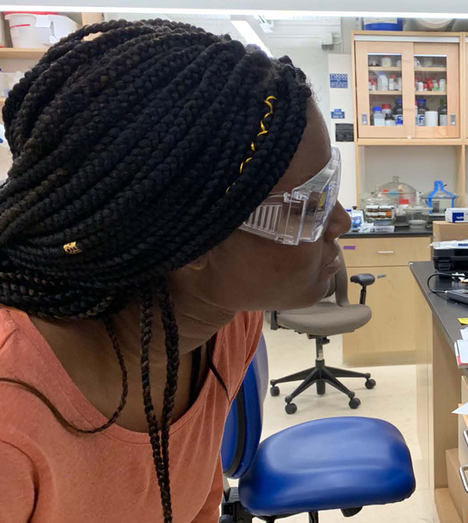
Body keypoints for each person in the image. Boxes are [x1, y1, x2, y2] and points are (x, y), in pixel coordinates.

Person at [0, 19, 350, 523]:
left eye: (330, 187)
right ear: (192, 241)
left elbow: (199, 497)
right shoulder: (13, 413)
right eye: (308, 207)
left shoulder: (226, 325)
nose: (340, 221)